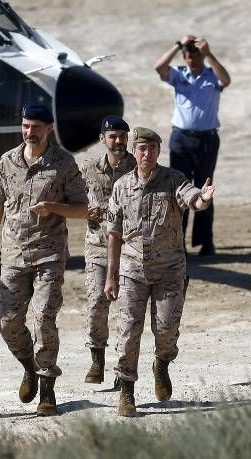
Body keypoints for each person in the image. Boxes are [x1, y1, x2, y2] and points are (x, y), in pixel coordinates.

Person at [0, 104, 88, 416]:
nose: (30, 132)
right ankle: (29, 366)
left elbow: (82, 209)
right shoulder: (8, 161)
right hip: (13, 253)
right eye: (26, 126)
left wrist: (54, 207)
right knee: (8, 322)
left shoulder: (63, 163)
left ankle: (47, 389)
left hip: (49, 253)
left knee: (43, 318)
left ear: (49, 129)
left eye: (36, 127)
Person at [104, 127, 215, 417]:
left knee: (166, 330)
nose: (146, 153)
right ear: (135, 151)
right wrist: (111, 275)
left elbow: (192, 198)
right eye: (142, 148)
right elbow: (113, 233)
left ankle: (162, 362)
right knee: (128, 332)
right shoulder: (122, 186)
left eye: (152, 148)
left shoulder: (173, 180)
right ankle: (126, 391)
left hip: (169, 270)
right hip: (132, 270)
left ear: (158, 151)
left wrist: (203, 198)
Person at [154, 35, 230, 256]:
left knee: (204, 187)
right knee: (180, 189)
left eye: (195, 55)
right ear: (184, 57)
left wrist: (209, 54)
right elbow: (159, 67)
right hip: (181, 139)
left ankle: (206, 242)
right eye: (188, 55)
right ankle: (179, 242)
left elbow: (226, 80)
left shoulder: (211, 74)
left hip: (207, 139)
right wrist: (178, 44)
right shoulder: (178, 74)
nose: (192, 59)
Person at [79, 115, 136, 385]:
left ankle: (122, 369)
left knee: (128, 313)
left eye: (122, 135)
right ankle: (97, 359)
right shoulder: (88, 168)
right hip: (98, 249)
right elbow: (67, 197)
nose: (118, 140)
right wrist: (82, 211)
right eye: (112, 136)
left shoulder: (138, 168)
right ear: (102, 139)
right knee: (96, 306)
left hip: (131, 251)